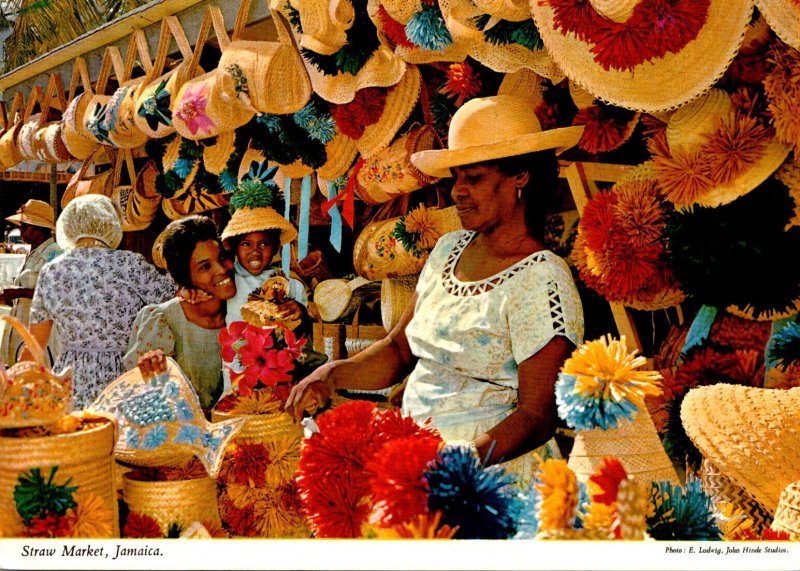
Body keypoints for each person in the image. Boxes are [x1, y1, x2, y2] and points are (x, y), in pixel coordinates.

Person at [286, 95, 586, 482]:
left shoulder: (543, 278)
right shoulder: (448, 249)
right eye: (456, 177)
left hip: (489, 479)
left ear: (520, 177)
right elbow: (397, 350)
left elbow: (537, 415)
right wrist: (332, 373)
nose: (458, 190)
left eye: (473, 177)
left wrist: (457, 462)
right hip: (415, 455)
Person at [27, 195, 175, 408]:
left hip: (71, 381)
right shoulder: (129, 264)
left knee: (80, 436)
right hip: (126, 377)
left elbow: (35, 344)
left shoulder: (51, 271)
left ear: (68, 227)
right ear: (111, 225)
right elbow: (173, 297)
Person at [124, 215, 237, 411]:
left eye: (222, 258)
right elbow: (141, 397)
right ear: (186, 277)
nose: (221, 269)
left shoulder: (245, 309)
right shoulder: (164, 320)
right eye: (204, 267)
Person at [0, 200, 62, 366]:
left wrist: (20, 292)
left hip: (39, 333)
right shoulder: (30, 254)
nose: (21, 231)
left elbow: (57, 294)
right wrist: (9, 297)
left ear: (39, 228)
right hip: (19, 328)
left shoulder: (55, 254)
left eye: (25, 226)